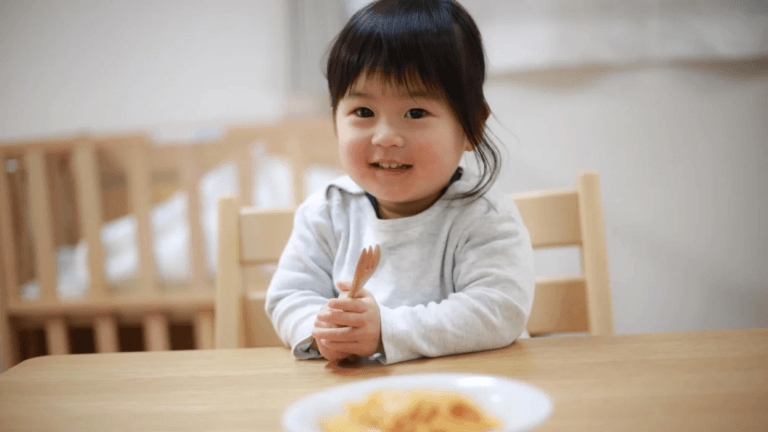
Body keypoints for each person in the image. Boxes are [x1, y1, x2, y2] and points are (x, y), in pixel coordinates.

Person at [265, 0, 534, 365]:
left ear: (472, 127)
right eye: (363, 112)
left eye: (415, 112)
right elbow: (289, 295)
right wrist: (323, 331)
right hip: (361, 398)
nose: (386, 136)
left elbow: (498, 309)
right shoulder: (326, 212)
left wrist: (386, 330)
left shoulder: (483, 214)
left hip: (469, 391)